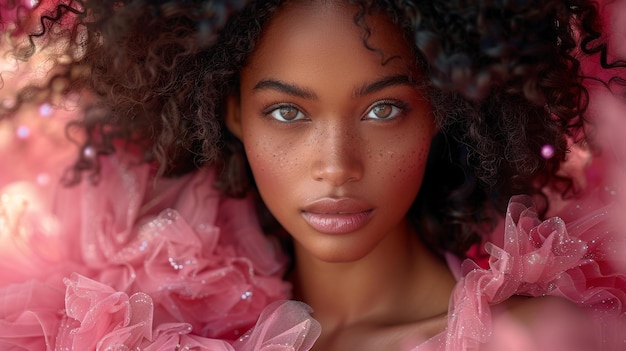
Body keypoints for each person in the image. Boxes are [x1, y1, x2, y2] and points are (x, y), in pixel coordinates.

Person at [0, 0, 625, 350]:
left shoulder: (529, 339)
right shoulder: (165, 330)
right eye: (287, 112)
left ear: (442, 110)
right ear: (231, 113)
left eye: (384, 109)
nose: (336, 165)